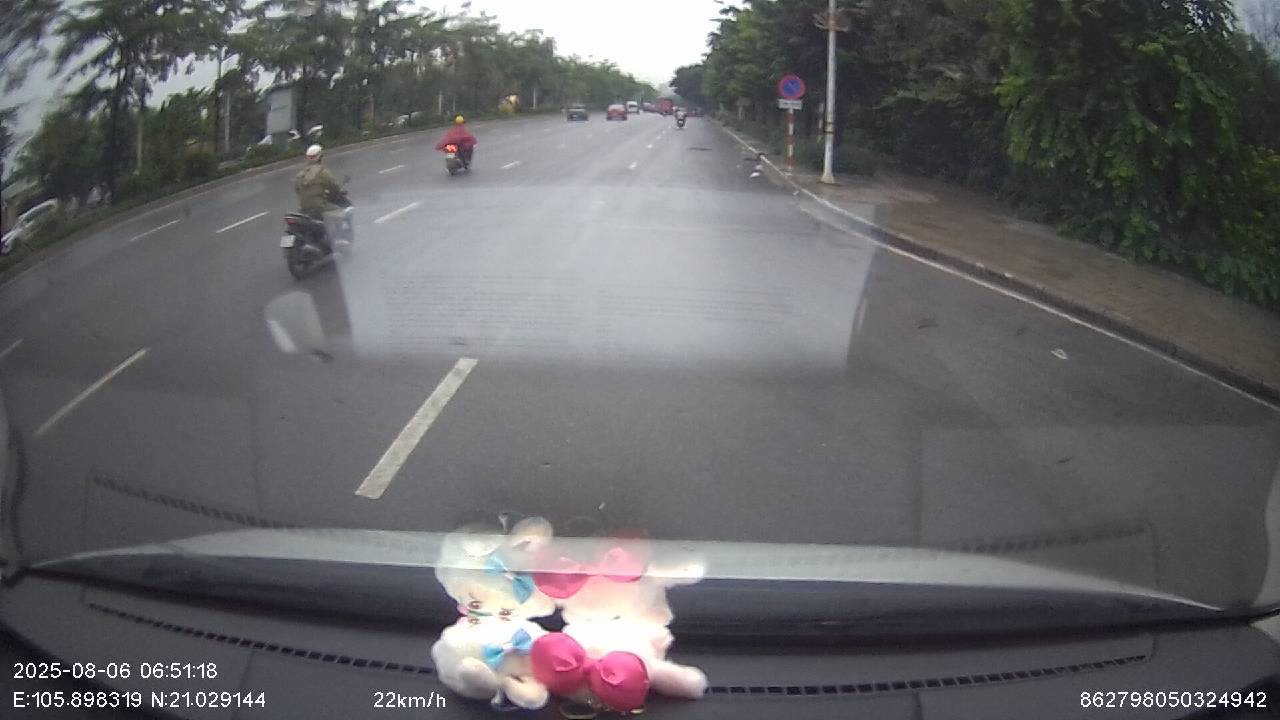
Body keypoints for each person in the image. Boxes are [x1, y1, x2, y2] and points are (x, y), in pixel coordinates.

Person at [294, 144, 344, 220]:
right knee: (340, 211)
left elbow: (297, 190)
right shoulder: (322, 172)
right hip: (319, 206)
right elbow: (333, 186)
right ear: (320, 157)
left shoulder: (301, 174)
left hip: (303, 208)